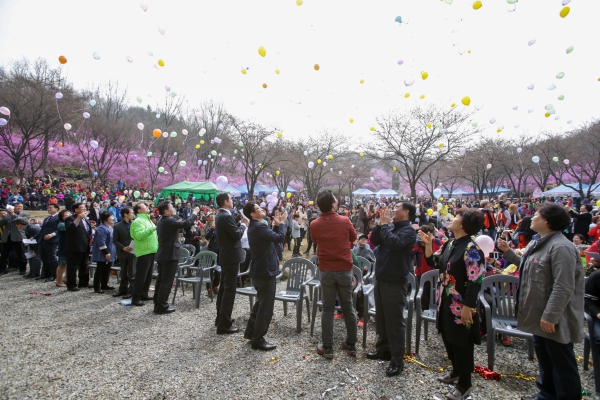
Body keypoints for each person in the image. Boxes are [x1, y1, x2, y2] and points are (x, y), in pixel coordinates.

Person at [498, 203, 584, 400]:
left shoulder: (561, 247)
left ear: (547, 220)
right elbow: (529, 268)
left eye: (536, 214)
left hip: (554, 317)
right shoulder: (540, 243)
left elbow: (563, 285)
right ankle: (547, 394)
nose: (531, 217)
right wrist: (508, 252)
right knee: (546, 360)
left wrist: (551, 316)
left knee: (562, 363)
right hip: (539, 313)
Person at [421, 208, 486, 400]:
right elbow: (433, 260)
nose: (452, 219)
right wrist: (427, 244)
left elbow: (476, 281)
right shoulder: (450, 244)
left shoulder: (472, 249)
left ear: (465, 225)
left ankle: (465, 383)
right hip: (445, 300)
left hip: (460, 305)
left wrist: (468, 306)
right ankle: (456, 370)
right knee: (448, 337)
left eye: (457, 217)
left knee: (462, 342)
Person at [366, 202, 418, 377]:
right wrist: (379, 226)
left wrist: (386, 226)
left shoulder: (409, 231)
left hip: (395, 281)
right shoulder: (390, 227)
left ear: (406, 212)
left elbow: (395, 244)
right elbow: (374, 241)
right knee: (381, 318)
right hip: (381, 278)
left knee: (395, 322)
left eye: (397, 208)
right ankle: (383, 349)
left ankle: (397, 360)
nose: (393, 210)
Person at [310, 190, 358, 359]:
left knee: (327, 308)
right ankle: (351, 344)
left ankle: (328, 347)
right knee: (348, 306)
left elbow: (315, 241)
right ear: (333, 204)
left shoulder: (314, 224)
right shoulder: (345, 221)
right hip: (344, 268)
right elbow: (354, 237)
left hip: (326, 269)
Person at [242, 201, 286, 351]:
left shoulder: (255, 226)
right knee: (265, 307)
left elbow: (270, 237)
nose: (261, 209)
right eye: (258, 209)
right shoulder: (258, 226)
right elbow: (279, 238)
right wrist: (281, 224)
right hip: (265, 270)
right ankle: (258, 338)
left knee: (260, 303)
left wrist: (275, 225)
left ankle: (251, 333)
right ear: (253, 214)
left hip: (260, 269)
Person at [154, 202, 199, 314]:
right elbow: (187, 223)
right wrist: (194, 213)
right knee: (167, 281)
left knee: (161, 280)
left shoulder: (161, 221)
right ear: (166, 211)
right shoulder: (169, 221)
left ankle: (157, 303)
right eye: (171, 208)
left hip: (163, 253)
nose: (173, 209)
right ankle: (162, 305)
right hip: (169, 254)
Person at [214, 192, 248, 334]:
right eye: (230, 199)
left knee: (224, 287)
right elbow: (236, 234)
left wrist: (238, 222)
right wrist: (244, 225)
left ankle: (221, 317)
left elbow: (231, 230)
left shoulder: (222, 215)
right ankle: (224, 323)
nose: (232, 201)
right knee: (229, 289)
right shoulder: (224, 216)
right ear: (225, 202)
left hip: (227, 255)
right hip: (231, 256)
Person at [130, 203, 158, 307]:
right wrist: (152, 228)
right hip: (144, 251)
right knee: (141, 276)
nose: (147, 207)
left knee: (148, 275)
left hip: (151, 250)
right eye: (144, 206)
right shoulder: (137, 221)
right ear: (139, 210)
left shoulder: (148, 220)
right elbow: (138, 235)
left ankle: (144, 294)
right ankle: (136, 297)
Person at [65, 203, 93, 291]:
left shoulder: (85, 218)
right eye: (82, 208)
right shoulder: (70, 218)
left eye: (85, 208)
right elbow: (70, 228)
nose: (84, 209)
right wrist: (78, 218)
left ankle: (84, 282)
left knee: (85, 265)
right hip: (75, 246)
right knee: (73, 267)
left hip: (85, 245)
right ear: (76, 210)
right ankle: (71, 284)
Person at [0, 203, 30, 275]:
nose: (19, 208)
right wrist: (7, 216)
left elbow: (23, 220)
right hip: (7, 237)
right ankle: (3, 269)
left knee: (21, 254)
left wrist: (13, 215)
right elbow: (1, 223)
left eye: (20, 206)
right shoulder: (7, 215)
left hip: (18, 237)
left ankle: (22, 269)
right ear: (13, 207)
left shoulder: (25, 215)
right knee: (4, 254)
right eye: (17, 206)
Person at [91, 211, 116, 293]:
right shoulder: (102, 228)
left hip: (110, 251)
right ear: (106, 219)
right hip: (103, 252)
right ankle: (97, 287)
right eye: (111, 217)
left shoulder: (110, 227)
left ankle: (104, 284)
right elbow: (101, 242)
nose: (113, 218)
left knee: (107, 269)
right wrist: (106, 252)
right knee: (100, 269)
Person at [113, 207, 135, 298]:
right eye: (131, 212)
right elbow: (115, 240)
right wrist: (123, 248)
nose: (133, 214)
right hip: (123, 251)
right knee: (123, 272)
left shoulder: (135, 224)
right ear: (125, 214)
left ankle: (131, 291)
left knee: (132, 273)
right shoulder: (117, 226)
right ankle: (122, 290)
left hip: (133, 251)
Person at [35, 204, 60, 282]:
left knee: (52, 258)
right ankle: (45, 274)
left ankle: (53, 275)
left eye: (50, 208)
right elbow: (42, 230)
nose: (48, 209)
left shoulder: (58, 218)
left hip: (52, 241)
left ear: (56, 209)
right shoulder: (47, 218)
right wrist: (35, 236)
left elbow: (60, 229)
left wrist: (52, 234)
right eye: (48, 207)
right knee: (44, 258)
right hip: (43, 240)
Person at [55, 209, 71, 287]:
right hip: (63, 246)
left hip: (70, 246)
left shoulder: (69, 223)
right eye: (67, 215)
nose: (70, 216)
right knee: (62, 265)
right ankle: (59, 281)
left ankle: (67, 278)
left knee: (69, 264)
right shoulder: (61, 224)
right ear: (62, 217)